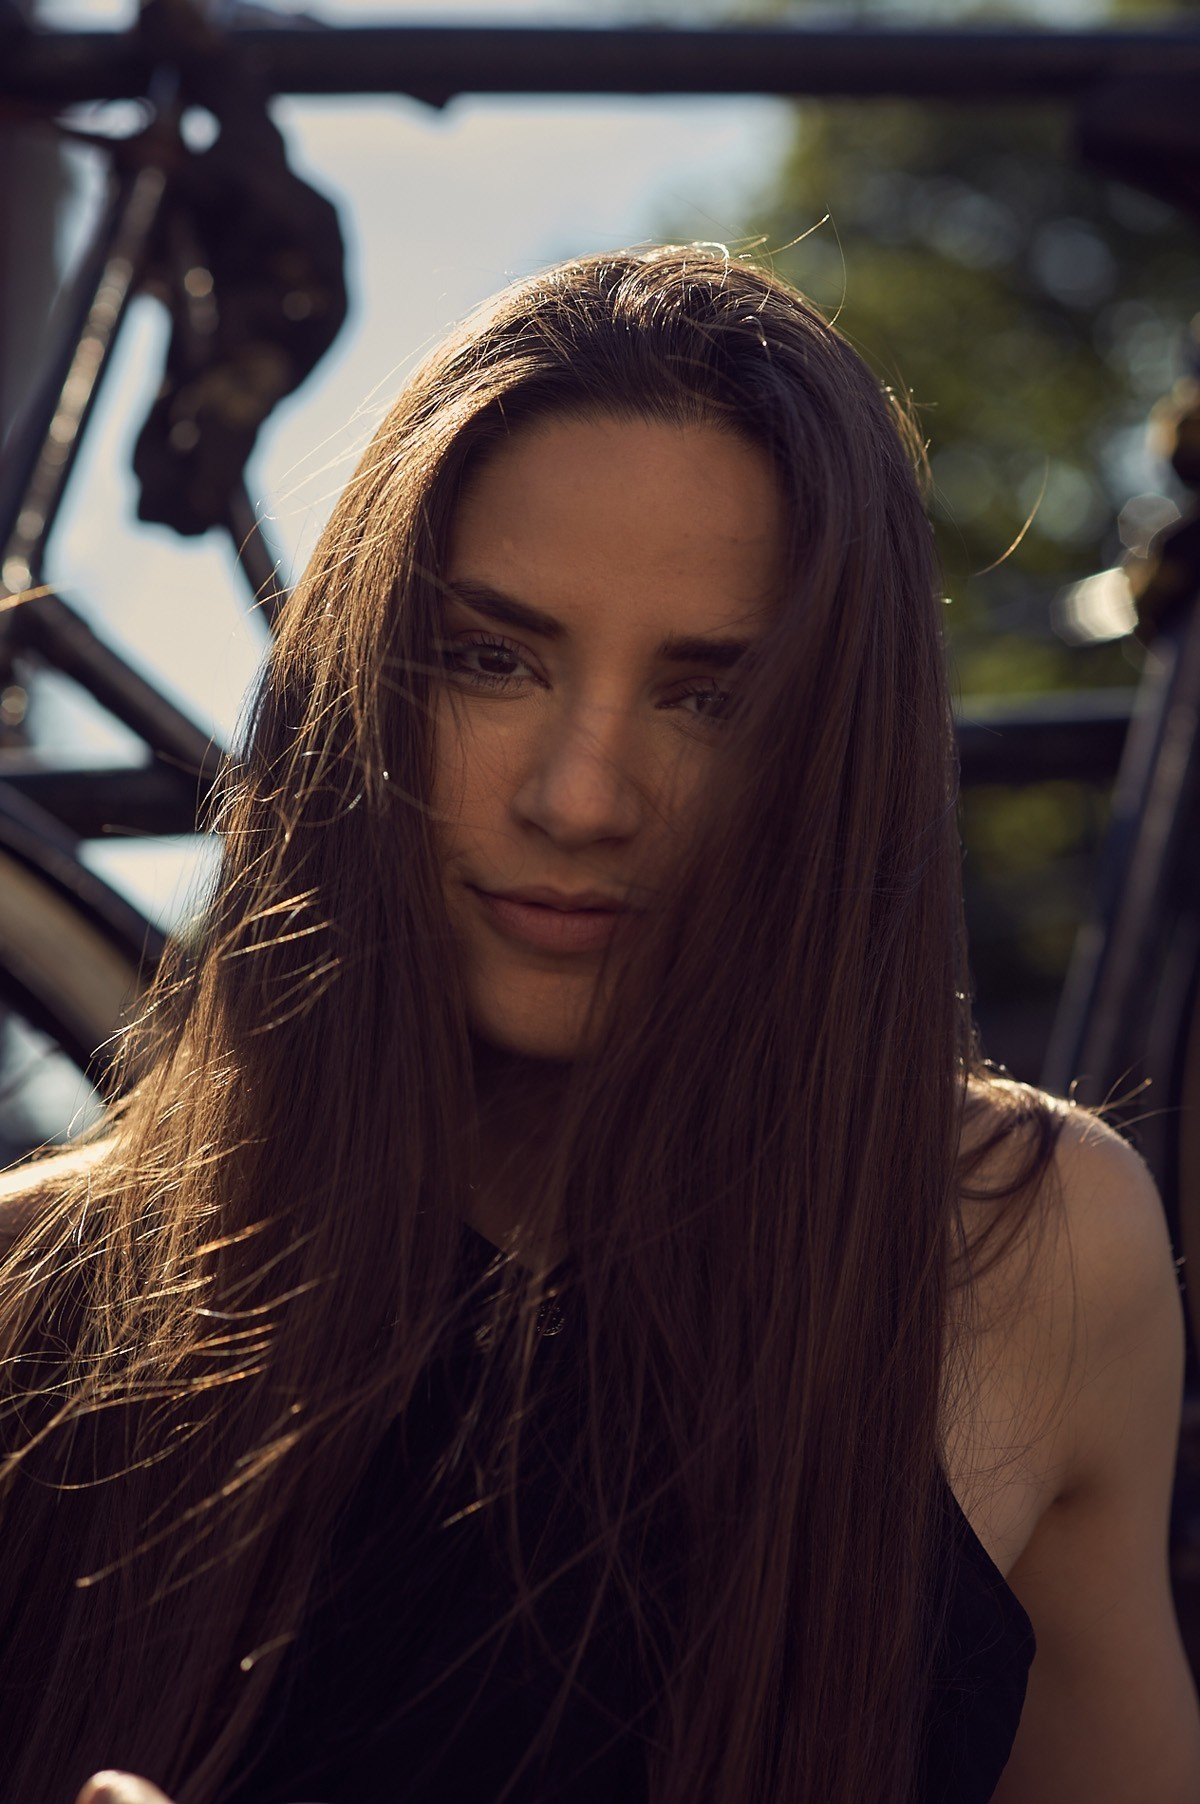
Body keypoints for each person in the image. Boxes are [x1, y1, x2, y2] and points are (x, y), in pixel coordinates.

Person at [1, 246, 1198, 1804]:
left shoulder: (1022, 1239)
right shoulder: (38, 1291)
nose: (579, 797)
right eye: (492, 660)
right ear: (357, 690)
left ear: (836, 750)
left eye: (713, 698)